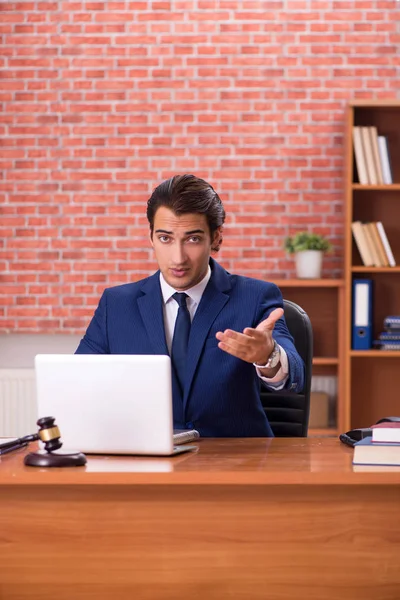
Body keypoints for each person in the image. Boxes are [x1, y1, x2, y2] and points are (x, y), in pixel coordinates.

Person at [76, 174, 304, 436]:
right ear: (150, 237)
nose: (178, 257)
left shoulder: (256, 297)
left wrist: (269, 356)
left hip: (236, 462)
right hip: (145, 461)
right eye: (165, 238)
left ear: (216, 238)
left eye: (193, 239)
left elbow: (294, 375)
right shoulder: (116, 305)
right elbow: (80, 383)